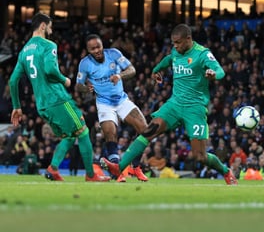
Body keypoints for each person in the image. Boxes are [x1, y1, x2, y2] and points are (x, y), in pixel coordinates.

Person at [100, 23, 238, 185]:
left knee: (199, 156)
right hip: (174, 105)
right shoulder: (176, 52)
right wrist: (156, 70)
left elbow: (220, 71)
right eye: (173, 43)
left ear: (188, 39)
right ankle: (119, 168)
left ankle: (226, 172)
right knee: (148, 131)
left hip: (195, 108)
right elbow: (169, 59)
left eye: (178, 42)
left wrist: (213, 74)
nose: (175, 46)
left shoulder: (202, 54)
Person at [8, 13, 110, 182]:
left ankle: (53, 169)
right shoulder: (49, 45)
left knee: (69, 136)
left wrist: (16, 106)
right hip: (57, 99)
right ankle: (91, 175)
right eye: (50, 25)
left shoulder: (23, 51)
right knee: (83, 131)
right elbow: (50, 70)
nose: (51, 29)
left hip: (42, 105)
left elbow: (12, 81)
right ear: (42, 26)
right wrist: (65, 80)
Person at [75, 34, 149, 182]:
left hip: (122, 100)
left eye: (98, 46)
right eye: (92, 49)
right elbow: (78, 85)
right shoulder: (85, 64)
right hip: (104, 104)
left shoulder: (114, 54)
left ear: (102, 45)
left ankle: (136, 167)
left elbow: (132, 70)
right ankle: (117, 171)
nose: (96, 50)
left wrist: (120, 76)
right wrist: (86, 88)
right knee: (111, 133)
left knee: (145, 130)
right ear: (88, 50)